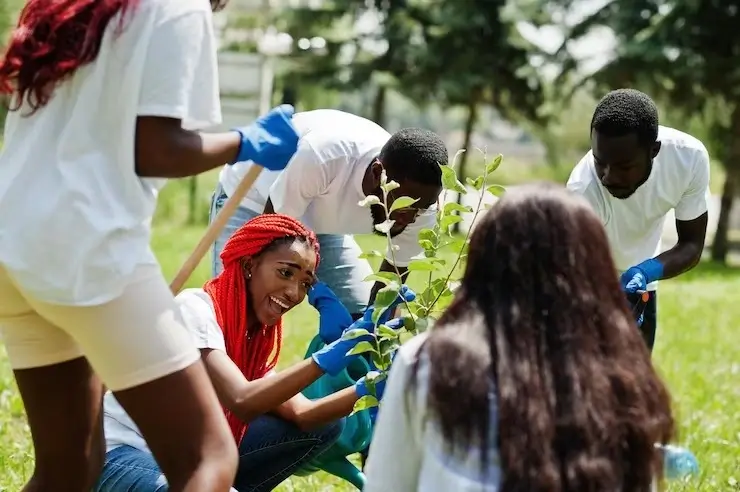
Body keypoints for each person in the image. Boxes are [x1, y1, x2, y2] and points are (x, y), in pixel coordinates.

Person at [0, 0, 300, 490]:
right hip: (88, 250)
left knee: (70, 466)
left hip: (13, 243)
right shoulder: (179, 7)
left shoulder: (66, 8)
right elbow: (156, 148)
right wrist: (244, 142)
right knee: (209, 458)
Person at [363, 182, 676, 492]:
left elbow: (385, 484)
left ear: (482, 265)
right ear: (594, 274)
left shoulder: (428, 362)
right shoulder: (622, 378)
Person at [96, 213, 410, 492]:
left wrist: (374, 384)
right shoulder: (194, 311)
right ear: (249, 265)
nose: (294, 292)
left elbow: (304, 415)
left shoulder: (249, 345)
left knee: (326, 425)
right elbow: (243, 400)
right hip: (121, 456)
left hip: (186, 460)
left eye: (305, 283)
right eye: (286, 273)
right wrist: (335, 352)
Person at [211, 109, 449, 320]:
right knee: (240, 308)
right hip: (254, 201)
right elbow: (273, 244)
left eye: (421, 208)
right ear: (378, 173)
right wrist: (316, 292)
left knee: (358, 316)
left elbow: (389, 285)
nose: (410, 219)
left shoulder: (422, 206)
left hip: (322, 226)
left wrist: (372, 329)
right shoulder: (324, 155)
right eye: (403, 205)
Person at [566, 88, 710, 352]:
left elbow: (691, 245)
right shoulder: (582, 191)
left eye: (624, 167)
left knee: (635, 386)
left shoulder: (688, 159)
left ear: (653, 151)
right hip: (591, 281)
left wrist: (645, 272)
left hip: (642, 280)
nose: (608, 177)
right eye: (600, 162)